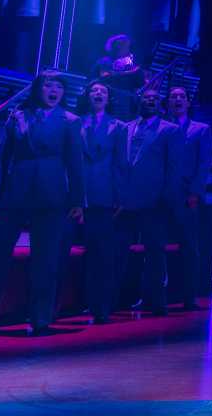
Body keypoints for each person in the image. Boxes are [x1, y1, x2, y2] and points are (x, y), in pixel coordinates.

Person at [0, 70, 84, 336]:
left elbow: (75, 163)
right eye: (49, 85)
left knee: (46, 260)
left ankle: (40, 319)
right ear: (38, 88)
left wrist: (77, 199)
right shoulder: (17, 115)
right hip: (15, 192)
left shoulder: (70, 121)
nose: (54, 90)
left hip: (52, 195)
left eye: (59, 86)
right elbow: (2, 158)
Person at [118, 88, 180, 316]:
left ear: (160, 103)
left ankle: (155, 301)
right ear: (139, 100)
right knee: (118, 251)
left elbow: (174, 168)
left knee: (155, 252)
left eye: (155, 98)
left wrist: (166, 197)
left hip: (154, 201)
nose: (151, 100)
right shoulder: (125, 128)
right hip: (125, 201)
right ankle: (116, 299)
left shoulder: (170, 130)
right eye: (147, 97)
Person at [72, 80, 126, 324]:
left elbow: (121, 164)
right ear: (87, 96)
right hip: (77, 195)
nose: (98, 93)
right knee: (72, 253)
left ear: (108, 98)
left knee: (102, 255)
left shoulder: (118, 126)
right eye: (94, 90)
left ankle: (101, 307)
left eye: (102, 91)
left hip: (105, 196)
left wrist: (119, 196)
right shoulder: (75, 122)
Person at [166, 86, 212, 310]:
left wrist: (195, 192)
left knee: (189, 246)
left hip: (186, 195)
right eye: (173, 96)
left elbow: (203, 164)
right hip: (161, 194)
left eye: (181, 96)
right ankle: (158, 294)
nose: (177, 99)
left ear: (188, 102)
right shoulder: (161, 127)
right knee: (157, 246)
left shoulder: (200, 130)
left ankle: (189, 296)